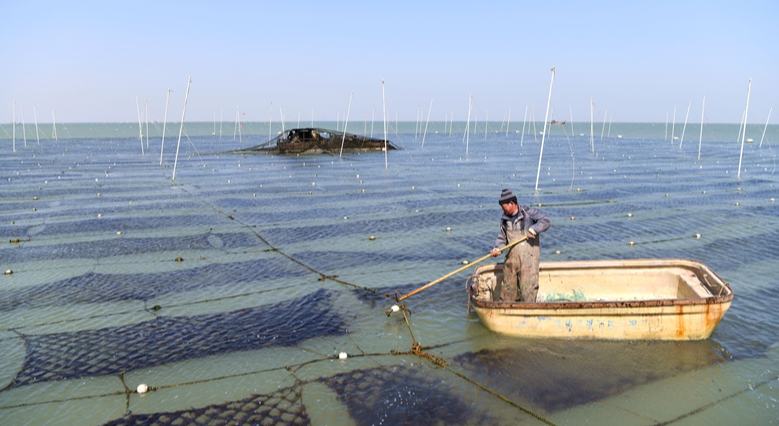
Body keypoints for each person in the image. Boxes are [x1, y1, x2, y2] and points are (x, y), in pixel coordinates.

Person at [490, 188, 551, 302]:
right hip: (512, 261)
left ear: (512, 203)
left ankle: (528, 313)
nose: (502, 210)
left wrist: (534, 229)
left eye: (503, 207)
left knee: (528, 290)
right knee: (508, 290)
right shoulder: (504, 220)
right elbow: (502, 238)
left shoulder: (529, 213)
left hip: (529, 261)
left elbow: (546, 221)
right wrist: (497, 248)